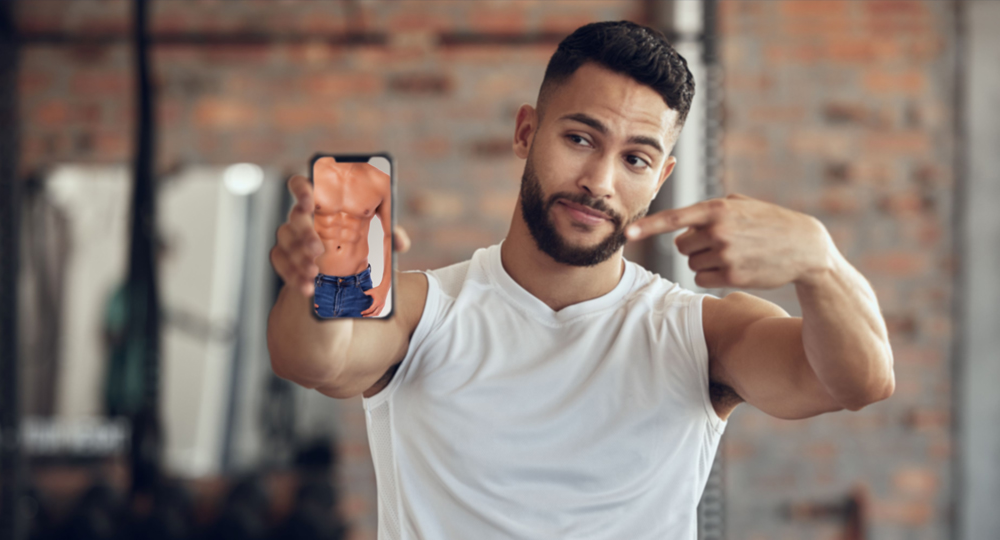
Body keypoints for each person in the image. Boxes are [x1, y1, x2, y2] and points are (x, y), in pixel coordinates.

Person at [268, 20, 894, 539]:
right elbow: (319, 360)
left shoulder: (701, 333)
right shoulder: (421, 310)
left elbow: (858, 381)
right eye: (579, 138)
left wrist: (821, 262)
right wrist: (316, 283)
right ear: (526, 132)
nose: (600, 179)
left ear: (661, 175)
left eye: (635, 159)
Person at [309, 157, 391, 318]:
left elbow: (391, 234)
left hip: (360, 290)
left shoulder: (381, 181)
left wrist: (385, 286)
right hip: (313, 285)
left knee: (360, 344)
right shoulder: (311, 173)